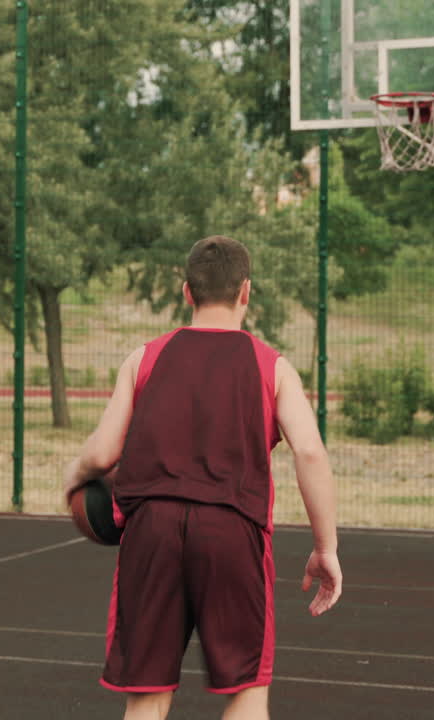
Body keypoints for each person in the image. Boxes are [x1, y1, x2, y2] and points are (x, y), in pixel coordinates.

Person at [62, 235, 342, 720]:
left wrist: (73, 475)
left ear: (187, 292)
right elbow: (312, 454)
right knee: (247, 692)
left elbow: (104, 452)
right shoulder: (271, 367)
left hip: (151, 533)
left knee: (146, 698)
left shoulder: (144, 358)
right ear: (246, 293)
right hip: (232, 532)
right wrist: (326, 548)